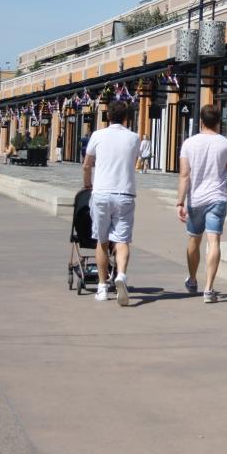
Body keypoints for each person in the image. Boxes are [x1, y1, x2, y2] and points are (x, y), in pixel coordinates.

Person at [176, 105, 227, 303]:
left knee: (194, 240)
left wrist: (180, 202)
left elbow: (185, 175)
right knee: (214, 242)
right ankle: (209, 289)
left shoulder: (189, 143)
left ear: (201, 121)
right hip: (218, 198)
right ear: (218, 121)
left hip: (196, 200)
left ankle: (193, 279)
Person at [82, 101, 140, 306]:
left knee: (102, 240)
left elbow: (87, 164)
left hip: (101, 193)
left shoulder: (97, 136)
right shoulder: (134, 138)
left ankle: (102, 287)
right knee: (122, 240)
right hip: (124, 193)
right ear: (127, 118)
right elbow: (133, 162)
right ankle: (121, 275)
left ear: (107, 116)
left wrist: (87, 184)